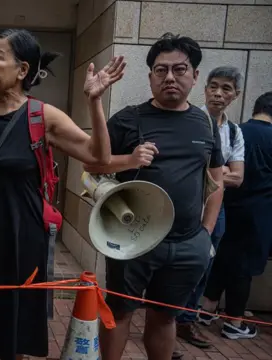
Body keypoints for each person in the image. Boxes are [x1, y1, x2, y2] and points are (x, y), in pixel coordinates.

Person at [0, 28, 125, 360]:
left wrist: (94, 102)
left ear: (23, 70)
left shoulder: (41, 116)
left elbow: (98, 158)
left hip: (22, 240)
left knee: (14, 333)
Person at [83, 33, 224, 360]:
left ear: (195, 76)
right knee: (119, 313)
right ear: (150, 77)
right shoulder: (129, 119)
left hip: (189, 243)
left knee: (165, 316)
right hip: (133, 240)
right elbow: (90, 165)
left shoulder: (205, 122)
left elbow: (216, 176)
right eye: (161, 70)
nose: (170, 77)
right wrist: (129, 160)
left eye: (180, 69)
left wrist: (206, 232)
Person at [175, 66, 245, 350]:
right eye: (213, 86)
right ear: (204, 88)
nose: (218, 93)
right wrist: (219, 171)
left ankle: (186, 320)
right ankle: (168, 318)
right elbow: (186, 169)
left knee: (204, 265)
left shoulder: (234, 130)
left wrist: (213, 173)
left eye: (226, 88)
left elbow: (238, 177)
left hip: (217, 208)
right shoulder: (191, 120)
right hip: (186, 203)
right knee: (177, 265)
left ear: (235, 95)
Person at [200, 91, 272, 340]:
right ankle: (234, 321)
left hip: (224, 207)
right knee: (244, 268)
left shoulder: (236, 130)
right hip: (258, 215)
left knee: (221, 259)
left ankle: (207, 309)